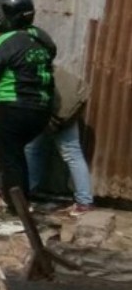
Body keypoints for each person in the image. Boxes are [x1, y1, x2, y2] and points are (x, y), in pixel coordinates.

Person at [0, 0, 55, 206]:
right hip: (42, 110)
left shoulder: (4, 42)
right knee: (19, 157)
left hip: (12, 109)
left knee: (10, 160)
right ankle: (23, 202)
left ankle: (17, 209)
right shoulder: (41, 38)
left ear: (5, 18)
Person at [25, 68, 94, 216]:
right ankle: (84, 202)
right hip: (68, 107)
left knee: (32, 149)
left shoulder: (22, 65)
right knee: (71, 152)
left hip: (53, 109)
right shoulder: (39, 57)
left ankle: (24, 195)